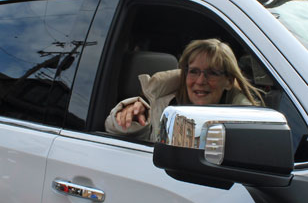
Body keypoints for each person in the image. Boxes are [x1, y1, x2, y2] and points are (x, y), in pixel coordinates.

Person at [105, 38, 263, 142]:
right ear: (184, 74)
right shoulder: (160, 105)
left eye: (213, 73)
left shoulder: (245, 124)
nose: (201, 81)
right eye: (193, 71)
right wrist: (130, 120)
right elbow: (115, 132)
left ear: (228, 81)